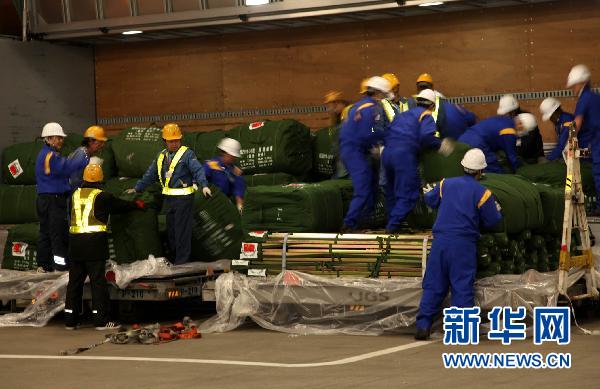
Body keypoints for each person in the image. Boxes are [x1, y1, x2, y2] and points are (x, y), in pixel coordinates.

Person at [415, 149, 503, 340]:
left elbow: (429, 198)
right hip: (462, 245)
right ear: (481, 172)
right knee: (461, 286)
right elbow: (492, 220)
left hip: (440, 243)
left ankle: (422, 327)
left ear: (463, 166)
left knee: (434, 285)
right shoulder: (483, 193)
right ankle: (461, 331)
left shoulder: (446, 184)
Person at [64, 163, 145, 331]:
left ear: (84, 179)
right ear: (100, 180)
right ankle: (100, 320)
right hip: (94, 246)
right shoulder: (102, 197)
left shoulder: (74, 195)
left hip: (75, 246)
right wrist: (136, 205)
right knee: (98, 284)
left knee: (74, 283)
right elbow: (120, 206)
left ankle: (70, 320)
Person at [129, 123, 211, 264]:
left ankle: (182, 264)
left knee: (181, 233)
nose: (174, 143)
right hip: (169, 200)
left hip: (184, 200)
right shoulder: (161, 156)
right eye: (171, 141)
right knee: (171, 233)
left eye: (177, 140)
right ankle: (175, 261)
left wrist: (204, 185)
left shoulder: (187, 154)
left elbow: (198, 170)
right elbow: (150, 174)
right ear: (164, 141)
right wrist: (137, 188)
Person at [382, 89, 453, 232]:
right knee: (409, 192)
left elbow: (387, 131)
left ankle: (393, 221)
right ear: (432, 106)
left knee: (391, 191)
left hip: (387, 153)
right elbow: (426, 137)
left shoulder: (403, 115)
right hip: (403, 155)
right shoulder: (425, 116)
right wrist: (440, 145)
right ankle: (393, 227)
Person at [35, 122, 89, 272]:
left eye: (61, 138)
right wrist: (82, 156)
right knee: (58, 233)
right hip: (53, 200)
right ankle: (60, 265)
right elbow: (66, 168)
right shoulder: (50, 156)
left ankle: (43, 265)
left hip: (43, 199)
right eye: (58, 138)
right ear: (49, 139)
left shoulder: (43, 154)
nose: (61, 141)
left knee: (45, 232)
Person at [339, 76, 390, 232]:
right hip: (356, 151)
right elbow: (370, 131)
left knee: (371, 187)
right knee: (363, 189)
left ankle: (363, 224)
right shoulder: (372, 108)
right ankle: (349, 226)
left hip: (354, 150)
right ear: (378, 93)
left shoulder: (358, 106)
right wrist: (381, 139)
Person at [567, 64, 600, 214]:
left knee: (598, 172)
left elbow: (577, 124)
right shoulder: (595, 97)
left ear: (581, 83)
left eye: (573, 85)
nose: (572, 89)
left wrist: (569, 143)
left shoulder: (584, 98)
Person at [458, 113, 537, 173]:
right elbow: (511, 157)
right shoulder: (509, 132)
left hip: (465, 136)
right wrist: (520, 171)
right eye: (524, 130)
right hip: (477, 142)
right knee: (494, 169)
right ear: (520, 125)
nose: (522, 133)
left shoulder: (506, 120)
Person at [497, 94, 544, 162]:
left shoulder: (527, 119)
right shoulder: (509, 120)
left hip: (532, 157)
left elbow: (528, 144)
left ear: (513, 111)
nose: (505, 116)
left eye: (506, 113)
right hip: (518, 155)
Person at [204, 138, 246, 213]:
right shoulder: (211, 165)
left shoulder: (236, 171)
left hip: (224, 203)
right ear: (224, 153)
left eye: (234, 156)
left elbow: (238, 190)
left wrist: (240, 207)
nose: (234, 158)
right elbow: (199, 179)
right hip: (208, 201)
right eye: (232, 155)